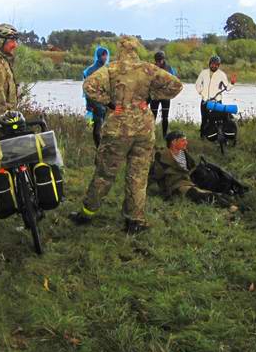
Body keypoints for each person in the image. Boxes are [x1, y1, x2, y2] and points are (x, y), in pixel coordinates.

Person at [70, 36, 183, 234]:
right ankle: (135, 220)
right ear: (136, 49)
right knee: (138, 175)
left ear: (120, 49)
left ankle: (87, 213)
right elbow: (176, 85)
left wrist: (110, 103)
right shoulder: (148, 69)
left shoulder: (111, 69)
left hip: (118, 129)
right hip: (143, 129)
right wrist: (151, 97)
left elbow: (88, 86)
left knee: (105, 173)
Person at [150, 131, 232, 206]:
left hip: (189, 182)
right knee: (198, 195)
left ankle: (229, 201)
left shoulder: (184, 153)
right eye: (183, 140)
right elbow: (155, 174)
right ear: (173, 142)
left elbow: (192, 168)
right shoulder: (163, 156)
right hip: (175, 186)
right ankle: (229, 206)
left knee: (216, 192)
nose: (186, 143)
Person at [194, 55, 236, 138]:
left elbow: (227, 88)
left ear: (219, 65)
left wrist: (232, 83)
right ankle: (202, 136)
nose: (214, 66)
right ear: (210, 64)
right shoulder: (203, 72)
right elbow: (197, 84)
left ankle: (218, 136)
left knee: (217, 120)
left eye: (217, 65)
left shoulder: (221, 74)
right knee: (204, 119)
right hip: (205, 101)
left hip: (217, 102)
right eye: (213, 64)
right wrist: (202, 93)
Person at [82, 46, 110, 148]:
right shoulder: (90, 70)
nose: (105, 57)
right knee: (97, 128)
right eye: (103, 55)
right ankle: (99, 149)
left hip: (106, 103)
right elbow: (87, 89)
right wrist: (90, 105)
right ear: (98, 56)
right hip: (95, 103)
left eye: (106, 54)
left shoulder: (108, 69)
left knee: (105, 128)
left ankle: (103, 150)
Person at [148, 50, 177, 138]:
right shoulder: (152, 67)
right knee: (153, 116)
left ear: (163, 59)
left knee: (165, 117)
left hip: (165, 97)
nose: (158, 63)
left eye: (160, 61)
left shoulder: (169, 68)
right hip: (155, 96)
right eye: (157, 61)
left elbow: (174, 81)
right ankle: (151, 134)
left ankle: (165, 135)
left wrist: (170, 92)